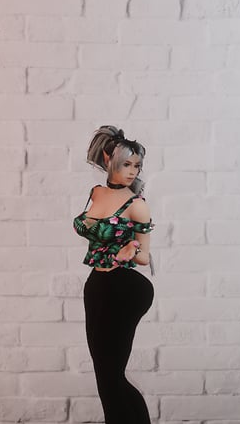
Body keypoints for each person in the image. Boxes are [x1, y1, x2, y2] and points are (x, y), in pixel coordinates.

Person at [73, 125, 155, 424]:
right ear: (108, 159)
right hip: (97, 284)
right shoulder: (95, 193)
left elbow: (144, 258)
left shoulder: (137, 206)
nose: (132, 172)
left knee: (111, 375)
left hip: (126, 289)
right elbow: (87, 228)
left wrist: (128, 251)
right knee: (104, 375)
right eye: (126, 164)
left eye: (137, 166)